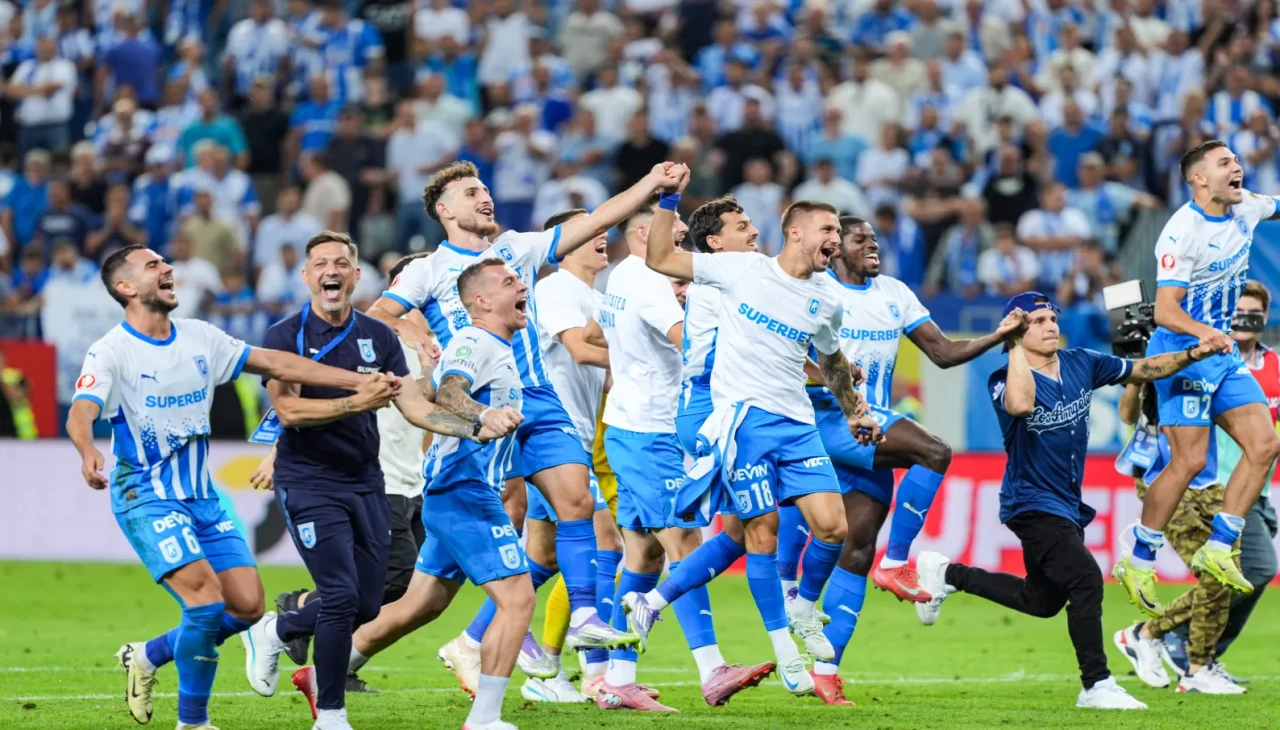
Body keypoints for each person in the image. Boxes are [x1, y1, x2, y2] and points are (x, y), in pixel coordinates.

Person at [65, 243, 390, 729]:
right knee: (204, 602)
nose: (167, 268)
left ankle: (149, 656)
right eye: (153, 265)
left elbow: (281, 365)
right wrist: (88, 449)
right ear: (125, 287)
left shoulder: (200, 337)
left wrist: (356, 382)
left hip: (203, 497)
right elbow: (81, 410)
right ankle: (192, 722)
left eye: (165, 262)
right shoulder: (111, 349)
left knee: (246, 607)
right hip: (147, 495)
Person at [367, 160, 684, 656]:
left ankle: (583, 615)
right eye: (471, 193)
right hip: (471, 412)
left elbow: (597, 220)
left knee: (576, 498)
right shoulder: (427, 271)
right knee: (424, 601)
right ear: (444, 210)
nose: (484, 197)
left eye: (485, 189)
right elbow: (377, 317)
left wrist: (652, 184)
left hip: (535, 398)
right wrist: (412, 328)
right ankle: (340, 658)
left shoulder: (516, 247)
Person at [239, 232, 512, 730]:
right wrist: (354, 402)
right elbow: (288, 409)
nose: (332, 270)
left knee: (367, 602)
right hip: (308, 481)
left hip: (366, 480)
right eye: (320, 263)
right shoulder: (284, 336)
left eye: (342, 262)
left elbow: (414, 407)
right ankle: (332, 714)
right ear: (306, 276)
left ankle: (277, 629)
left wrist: (477, 425)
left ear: (355, 275)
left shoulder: (379, 337)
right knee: (342, 596)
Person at [633, 174, 881, 698]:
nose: (835, 238)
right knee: (759, 533)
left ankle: (802, 608)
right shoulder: (740, 269)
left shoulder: (826, 299)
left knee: (834, 527)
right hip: (742, 421)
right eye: (827, 228)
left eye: (839, 230)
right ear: (794, 231)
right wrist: (669, 201)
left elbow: (832, 360)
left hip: (796, 424)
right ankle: (787, 653)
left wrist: (853, 410)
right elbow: (661, 258)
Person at [913, 292, 1219, 710]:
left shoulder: (1081, 362)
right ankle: (1097, 684)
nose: (1051, 324)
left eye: (1052, 317)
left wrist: (1194, 352)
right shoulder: (1002, 378)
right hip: (1031, 502)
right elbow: (1021, 404)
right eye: (1037, 320)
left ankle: (947, 573)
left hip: (1067, 505)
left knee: (1041, 601)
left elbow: (1143, 369)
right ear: (1017, 330)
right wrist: (1013, 344)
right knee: (1086, 580)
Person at [795, 216, 1025, 705]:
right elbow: (790, 355)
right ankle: (897, 562)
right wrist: (834, 382)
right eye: (860, 240)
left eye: (876, 240)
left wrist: (999, 335)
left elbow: (942, 352)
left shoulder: (895, 293)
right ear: (835, 248)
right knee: (935, 451)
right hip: (833, 421)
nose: (872, 246)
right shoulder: (815, 291)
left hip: (871, 428)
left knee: (855, 550)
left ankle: (826, 670)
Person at [596, 195, 773, 711]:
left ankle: (616, 677)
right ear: (640, 236)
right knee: (686, 545)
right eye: (670, 237)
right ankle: (712, 667)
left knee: (645, 555)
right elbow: (690, 345)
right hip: (652, 433)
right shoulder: (650, 284)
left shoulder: (620, 279)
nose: (679, 250)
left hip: (627, 425)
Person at [1115, 140, 1280, 616]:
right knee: (1187, 462)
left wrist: (1216, 338)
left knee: (1266, 445)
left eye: (1237, 160)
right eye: (1225, 162)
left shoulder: (1246, 208)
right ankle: (1140, 558)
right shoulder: (1180, 233)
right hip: (1183, 352)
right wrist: (1205, 334)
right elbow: (1166, 312)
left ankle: (1220, 543)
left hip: (1221, 353)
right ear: (1199, 179)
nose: (1239, 167)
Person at [261, 252, 439, 692]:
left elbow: (418, 404)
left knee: (382, 591)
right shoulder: (355, 327)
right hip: (370, 476)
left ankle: (301, 618)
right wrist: (274, 453)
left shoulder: (415, 339)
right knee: (377, 584)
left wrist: (469, 417)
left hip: (407, 476)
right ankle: (311, 647)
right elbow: (286, 406)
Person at [518, 208, 620, 703]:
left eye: (603, 229)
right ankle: (596, 670)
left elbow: (609, 375)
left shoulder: (597, 297)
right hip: (550, 436)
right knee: (607, 542)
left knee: (540, 560)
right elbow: (580, 350)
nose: (603, 235)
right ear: (562, 244)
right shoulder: (556, 287)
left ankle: (542, 668)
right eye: (590, 230)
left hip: (576, 437)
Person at [1162, 281, 1279, 681]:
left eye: (1254, 313)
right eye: (1238, 312)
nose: (1246, 320)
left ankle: (1195, 650)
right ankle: (1175, 639)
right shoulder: (1204, 361)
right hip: (1215, 489)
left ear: (1264, 319)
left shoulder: (1277, 366)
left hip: (1256, 488)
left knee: (1241, 574)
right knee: (1256, 569)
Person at [1112, 382, 1245, 695]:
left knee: (1224, 575)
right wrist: (1136, 380)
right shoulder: (1160, 358)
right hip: (1164, 480)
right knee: (1214, 575)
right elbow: (1128, 416)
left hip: (1209, 482)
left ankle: (1149, 635)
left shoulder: (1212, 364)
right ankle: (1197, 667)